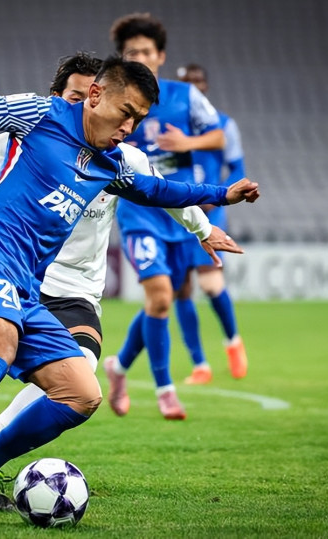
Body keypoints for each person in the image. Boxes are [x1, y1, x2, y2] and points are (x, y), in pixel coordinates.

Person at [0, 56, 259, 506]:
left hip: (28, 290)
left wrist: (221, 196)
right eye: (125, 112)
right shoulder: (40, 115)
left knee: (82, 393)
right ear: (95, 95)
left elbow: (158, 190)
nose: (129, 127)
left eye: (137, 119)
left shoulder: (112, 164)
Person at [104, 13, 227, 420]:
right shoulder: (116, 99)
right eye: (131, 53)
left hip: (179, 213)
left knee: (161, 303)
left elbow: (219, 135)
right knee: (158, 297)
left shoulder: (185, 96)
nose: (140, 58)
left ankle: (119, 366)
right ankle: (166, 391)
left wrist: (188, 142)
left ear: (160, 56)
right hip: (139, 211)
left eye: (146, 51)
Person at [174, 62, 249, 384]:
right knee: (180, 288)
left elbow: (237, 167)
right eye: (188, 82)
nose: (194, 87)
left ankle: (233, 341)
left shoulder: (223, 126)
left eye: (198, 81)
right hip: (178, 209)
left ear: (205, 86)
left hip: (210, 210)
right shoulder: (171, 126)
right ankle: (200, 364)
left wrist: (219, 194)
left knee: (210, 284)